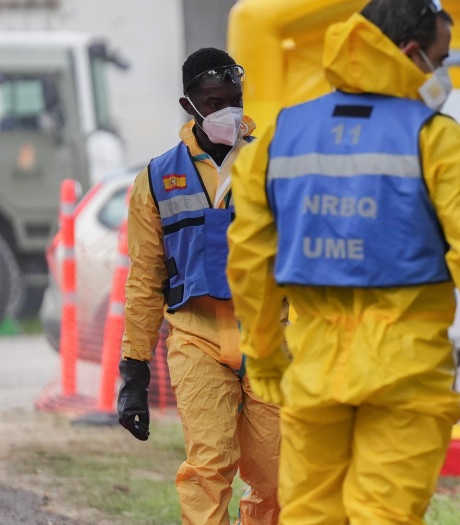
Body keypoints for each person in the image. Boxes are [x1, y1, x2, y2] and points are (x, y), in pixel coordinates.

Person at [225, 1, 460, 523]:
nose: (442, 73)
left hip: (314, 366)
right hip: (406, 373)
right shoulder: (441, 141)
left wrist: (262, 351)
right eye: (441, 58)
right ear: (411, 53)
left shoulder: (281, 137)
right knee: (386, 514)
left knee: (309, 514)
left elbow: (250, 257)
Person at [115, 48, 280, 525]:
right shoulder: (156, 179)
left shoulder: (274, 164)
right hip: (196, 337)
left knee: (277, 478)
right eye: (213, 101)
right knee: (208, 467)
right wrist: (134, 372)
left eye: (235, 98)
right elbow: (145, 280)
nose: (228, 110)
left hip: (271, 334)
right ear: (189, 106)